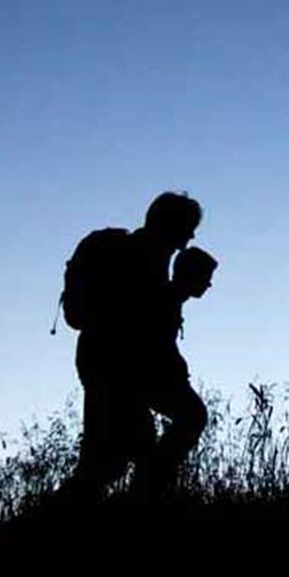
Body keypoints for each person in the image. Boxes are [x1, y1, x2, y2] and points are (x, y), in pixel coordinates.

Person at [60, 192, 206, 500]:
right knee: (111, 459)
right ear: (170, 224)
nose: (189, 238)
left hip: (103, 362)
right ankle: (138, 503)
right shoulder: (144, 257)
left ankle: (136, 500)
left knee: (111, 458)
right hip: (116, 368)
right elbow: (141, 326)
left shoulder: (148, 255)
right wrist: (179, 292)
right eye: (188, 228)